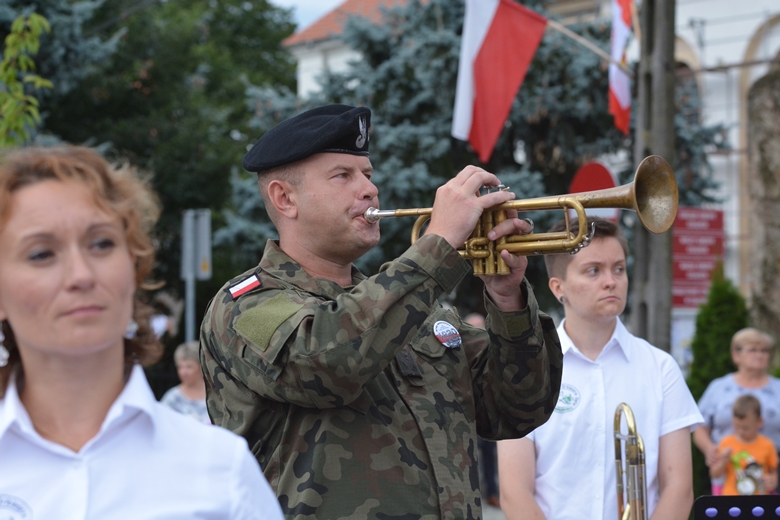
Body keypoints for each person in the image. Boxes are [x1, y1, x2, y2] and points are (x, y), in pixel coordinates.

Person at [200, 104, 563, 519]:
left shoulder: (415, 308)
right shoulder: (246, 303)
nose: (370, 189)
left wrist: (508, 300)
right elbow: (327, 363)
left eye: (368, 175)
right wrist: (438, 244)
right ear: (285, 198)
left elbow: (517, 409)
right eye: (343, 175)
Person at [0, 147, 282, 520]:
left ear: (132, 268)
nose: (81, 275)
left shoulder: (220, 470)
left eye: (101, 243)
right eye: (41, 254)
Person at [497, 216, 703, 520]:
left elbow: (679, 488)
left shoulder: (661, 368)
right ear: (559, 288)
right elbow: (514, 494)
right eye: (593, 270)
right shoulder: (525, 372)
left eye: (618, 269)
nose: (611, 280)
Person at [693, 327, 780, 494]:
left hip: (768, 477)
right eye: (753, 350)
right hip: (728, 476)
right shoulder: (719, 387)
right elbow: (699, 426)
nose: (760, 355)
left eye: (764, 350)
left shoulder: (778, 388)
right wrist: (709, 448)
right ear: (736, 355)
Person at [465, 311, 501, 509]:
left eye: (481, 327)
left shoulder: (491, 352)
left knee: (488, 453)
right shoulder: (457, 353)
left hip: (485, 414)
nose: (479, 332)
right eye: (473, 328)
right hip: (465, 416)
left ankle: (492, 492)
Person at [710, 394, 778, 495]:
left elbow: (773, 472)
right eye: (737, 426)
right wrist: (723, 462)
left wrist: (773, 481)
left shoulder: (767, 445)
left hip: (759, 501)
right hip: (731, 500)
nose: (741, 431)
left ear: (759, 422)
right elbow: (714, 474)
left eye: (746, 428)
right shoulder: (726, 443)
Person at [161, 341, 210, 424]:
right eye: (180, 367)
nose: (183, 372)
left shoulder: (218, 396)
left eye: (189, 367)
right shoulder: (172, 398)